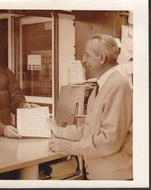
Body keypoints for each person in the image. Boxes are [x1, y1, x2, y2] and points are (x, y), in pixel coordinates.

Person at [48, 34, 132, 180]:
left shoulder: (118, 86)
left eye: (87, 54)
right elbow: (90, 129)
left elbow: (109, 141)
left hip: (114, 177)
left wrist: (69, 147)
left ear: (102, 58)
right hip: (98, 173)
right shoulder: (100, 86)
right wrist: (59, 131)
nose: (83, 60)